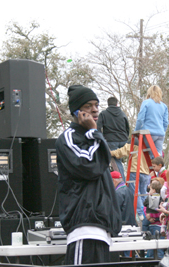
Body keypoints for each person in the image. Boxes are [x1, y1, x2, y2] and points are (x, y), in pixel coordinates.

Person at [56, 85, 121, 265]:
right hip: (84, 226)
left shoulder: (95, 139)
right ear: (77, 111)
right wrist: (94, 132)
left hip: (101, 228)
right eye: (88, 106)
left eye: (96, 105)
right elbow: (89, 166)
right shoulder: (68, 138)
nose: (94, 110)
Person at [111, 141, 151, 221]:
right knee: (143, 194)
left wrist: (110, 152)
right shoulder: (146, 146)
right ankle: (145, 211)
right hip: (146, 173)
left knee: (135, 193)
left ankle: (140, 214)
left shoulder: (133, 143)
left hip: (135, 170)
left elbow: (121, 152)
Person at [97, 97, 130, 181]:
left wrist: (102, 139)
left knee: (116, 162)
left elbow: (98, 128)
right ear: (116, 104)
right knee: (120, 161)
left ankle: (121, 182)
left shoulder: (103, 114)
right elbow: (127, 128)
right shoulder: (123, 114)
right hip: (123, 140)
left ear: (108, 104)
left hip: (111, 140)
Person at [135, 85, 169, 157]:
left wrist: (136, 130)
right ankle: (160, 167)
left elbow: (140, 119)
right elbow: (165, 122)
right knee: (158, 156)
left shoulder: (146, 103)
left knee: (146, 156)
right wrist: (162, 130)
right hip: (160, 134)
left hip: (149, 133)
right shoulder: (164, 106)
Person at [143, 179, 165, 259]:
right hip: (152, 225)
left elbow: (158, 210)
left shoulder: (157, 198)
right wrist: (147, 215)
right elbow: (145, 207)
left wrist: (151, 216)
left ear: (154, 190)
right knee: (151, 249)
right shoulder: (155, 198)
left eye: (151, 189)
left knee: (158, 249)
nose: (149, 191)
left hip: (157, 225)